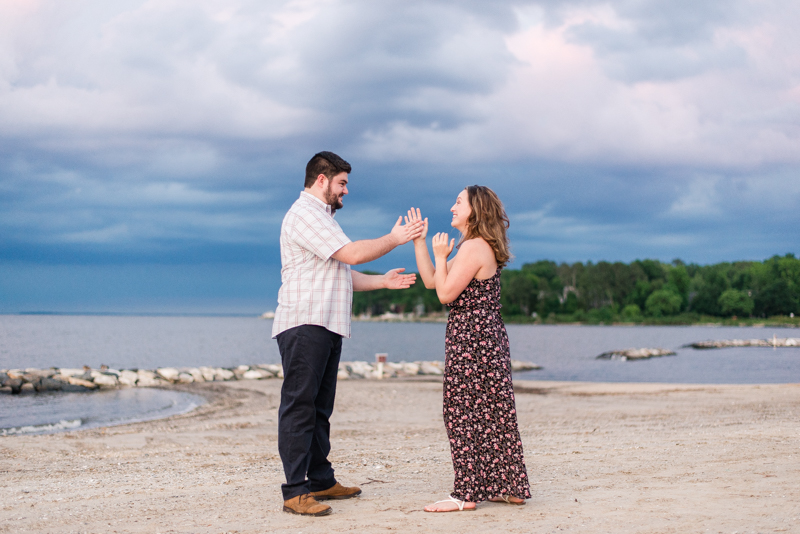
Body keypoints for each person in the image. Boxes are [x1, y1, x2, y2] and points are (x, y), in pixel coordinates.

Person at [273, 151, 424, 517]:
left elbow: (342, 272)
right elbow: (353, 254)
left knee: (319, 410)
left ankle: (321, 480)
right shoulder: (305, 214)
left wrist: (383, 282)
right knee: (299, 408)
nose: (345, 191)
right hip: (305, 323)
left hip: (325, 324)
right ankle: (295, 492)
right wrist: (395, 237)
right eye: (341, 184)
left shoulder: (323, 219)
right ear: (321, 180)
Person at [406, 185, 531, 512]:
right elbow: (434, 282)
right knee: (492, 410)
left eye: (458, 202)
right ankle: (508, 486)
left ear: (475, 210)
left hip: (472, 337)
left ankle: (466, 494)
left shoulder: (474, 246)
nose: (452, 207)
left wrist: (441, 256)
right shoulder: (475, 245)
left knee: (461, 411)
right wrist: (420, 242)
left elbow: (445, 294)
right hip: (484, 335)